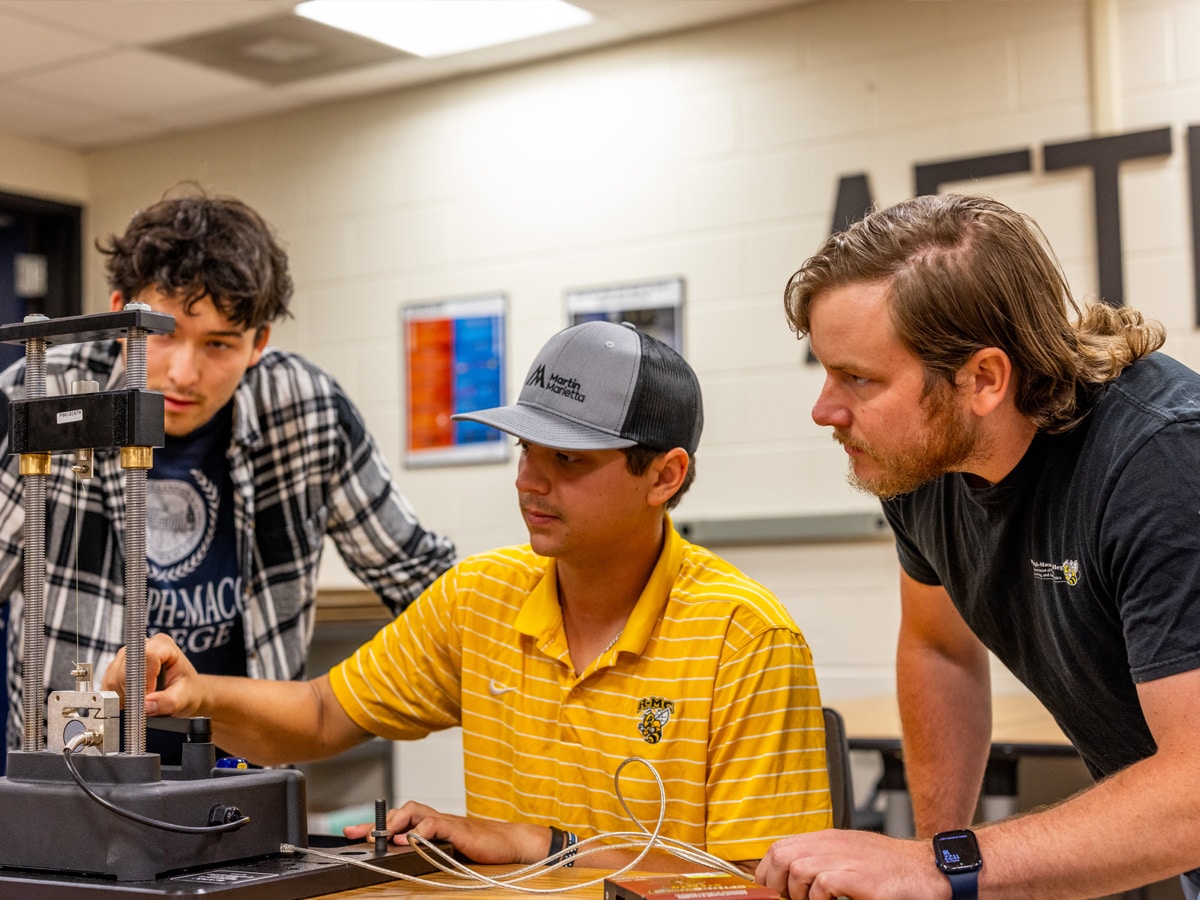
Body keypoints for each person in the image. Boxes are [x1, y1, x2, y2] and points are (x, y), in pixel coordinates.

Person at [103, 319, 832, 871]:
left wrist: (546, 845)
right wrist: (199, 698)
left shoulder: (745, 638)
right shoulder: (481, 597)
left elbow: (755, 881)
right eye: (526, 450)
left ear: (665, 477)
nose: (530, 481)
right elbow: (324, 713)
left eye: (569, 459)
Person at [755, 192, 1200, 900]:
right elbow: (939, 647)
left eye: (859, 378)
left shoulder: (1162, 461)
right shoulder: (921, 464)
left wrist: (940, 868)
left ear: (984, 380)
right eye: (826, 371)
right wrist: (939, 859)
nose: (824, 410)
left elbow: (1195, 791)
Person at [0, 189, 456, 766]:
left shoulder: (306, 408)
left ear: (259, 341)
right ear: (120, 313)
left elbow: (420, 579)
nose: (184, 373)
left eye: (219, 344)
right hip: (76, 773)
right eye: (161, 334)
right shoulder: (43, 396)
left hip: (241, 776)